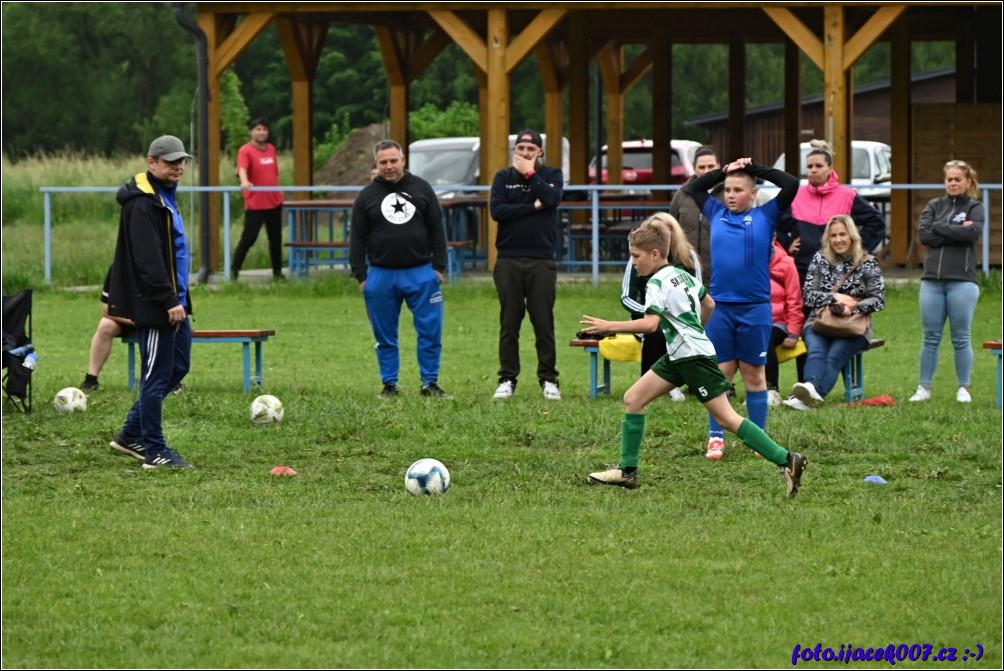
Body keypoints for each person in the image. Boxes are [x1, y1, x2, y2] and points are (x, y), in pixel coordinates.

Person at [580, 219, 807, 498]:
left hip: (692, 358)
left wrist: (609, 326)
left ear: (654, 254)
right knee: (633, 399)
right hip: (680, 354)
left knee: (727, 419)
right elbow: (708, 303)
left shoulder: (655, 283)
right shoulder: (682, 275)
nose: (634, 262)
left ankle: (787, 459)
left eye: (636, 256)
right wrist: (695, 330)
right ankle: (627, 471)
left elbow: (650, 325)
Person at [683, 156, 799, 460]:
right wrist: (724, 171)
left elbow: (791, 184)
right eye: (728, 189)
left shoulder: (766, 215)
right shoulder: (716, 212)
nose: (731, 195)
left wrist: (754, 168)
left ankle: (757, 439)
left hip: (755, 309)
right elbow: (695, 188)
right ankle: (716, 437)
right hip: (721, 309)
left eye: (738, 190)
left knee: (754, 374)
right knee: (720, 374)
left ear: (753, 193)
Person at [105, 135, 193, 469]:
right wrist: (167, 299)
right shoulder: (142, 203)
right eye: (171, 161)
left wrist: (180, 299)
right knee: (155, 379)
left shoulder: (165, 196)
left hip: (177, 302)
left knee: (178, 367)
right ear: (151, 162)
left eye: (181, 161)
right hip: (156, 305)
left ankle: (130, 434)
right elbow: (148, 259)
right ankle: (154, 450)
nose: (178, 167)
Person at [777, 139, 887, 384]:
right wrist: (787, 245)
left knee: (840, 325)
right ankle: (805, 382)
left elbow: (876, 223)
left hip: (840, 277)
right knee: (807, 330)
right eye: (809, 167)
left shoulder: (847, 196)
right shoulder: (797, 196)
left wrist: (858, 252)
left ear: (830, 168)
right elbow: (777, 226)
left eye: (818, 166)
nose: (813, 171)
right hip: (803, 271)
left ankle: (840, 383)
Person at [349, 139, 451, 399]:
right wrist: (362, 277)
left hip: (421, 272)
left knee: (430, 331)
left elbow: (437, 229)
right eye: (383, 162)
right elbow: (357, 239)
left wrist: (438, 268)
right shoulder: (366, 196)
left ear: (403, 160)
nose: (389, 166)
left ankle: (430, 383)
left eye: (393, 160)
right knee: (384, 335)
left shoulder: (422, 188)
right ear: (376, 164)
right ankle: (389, 384)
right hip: (381, 275)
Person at [489, 129, 564, 400]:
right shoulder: (503, 178)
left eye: (530, 149)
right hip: (508, 258)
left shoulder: (551, 175)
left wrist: (531, 174)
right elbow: (497, 211)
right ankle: (507, 378)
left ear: (539, 152)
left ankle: (549, 379)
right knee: (509, 322)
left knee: (543, 321)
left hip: (541, 259)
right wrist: (533, 207)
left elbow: (552, 199)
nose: (524, 152)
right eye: (520, 148)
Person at [783, 214, 885, 410]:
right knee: (816, 352)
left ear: (852, 236)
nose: (838, 240)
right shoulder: (820, 259)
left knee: (834, 357)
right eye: (833, 235)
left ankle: (809, 397)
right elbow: (808, 295)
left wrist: (853, 307)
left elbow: (878, 299)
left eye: (842, 234)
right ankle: (810, 388)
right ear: (827, 238)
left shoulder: (868, 262)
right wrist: (834, 297)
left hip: (854, 326)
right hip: (820, 321)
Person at [909, 159, 984, 404]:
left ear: (968, 182)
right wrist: (955, 229)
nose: (953, 183)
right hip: (932, 281)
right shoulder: (934, 205)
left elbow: (972, 233)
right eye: (949, 179)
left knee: (961, 337)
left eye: (957, 179)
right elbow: (924, 235)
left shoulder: (975, 207)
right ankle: (924, 388)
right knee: (930, 337)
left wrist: (940, 227)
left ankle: (963, 387)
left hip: (963, 282)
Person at [620, 212, 701, 401]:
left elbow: (699, 295)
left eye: (663, 229)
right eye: (653, 229)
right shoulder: (638, 256)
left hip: (681, 318)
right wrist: (652, 311)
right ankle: (653, 386)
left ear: (673, 231)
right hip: (647, 318)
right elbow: (626, 297)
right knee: (655, 330)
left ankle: (681, 382)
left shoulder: (688, 256)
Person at [231, 117, 284, 280]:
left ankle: (277, 273)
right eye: (258, 129)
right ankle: (233, 272)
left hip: (274, 202)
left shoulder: (271, 149)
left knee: (276, 240)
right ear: (251, 132)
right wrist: (244, 181)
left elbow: (274, 173)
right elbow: (242, 168)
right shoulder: (245, 150)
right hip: (255, 204)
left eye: (264, 129)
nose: (262, 132)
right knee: (249, 238)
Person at [669, 145, 722, 282]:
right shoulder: (681, 195)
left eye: (711, 166)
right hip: (686, 274)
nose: (706, 171)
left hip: (720, 275)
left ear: (719, 166)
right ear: (694, 168)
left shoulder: (728, 194)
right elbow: (671, 231)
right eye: (702, 167)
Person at [764, 236, 804, 406]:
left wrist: (794, 332)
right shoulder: (745, 261)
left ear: (773, 237)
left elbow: (795, 300)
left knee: (763, 337)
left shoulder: (786, 263)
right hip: (751, 319)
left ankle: (771, 390)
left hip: (778, 322)